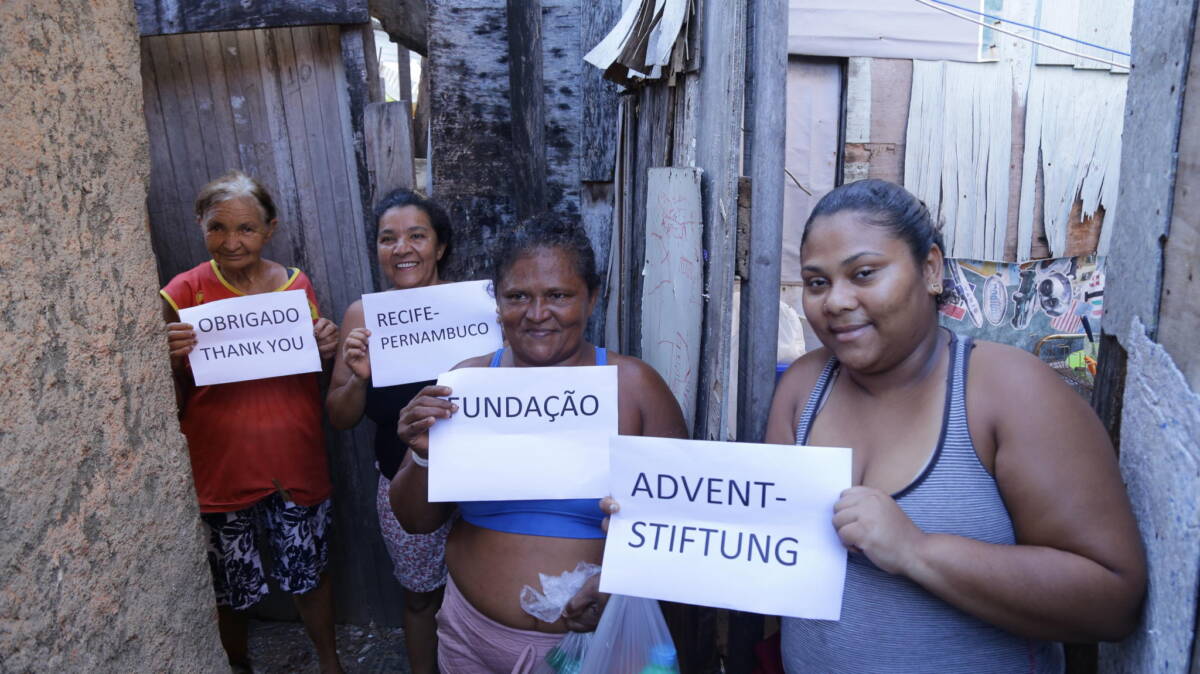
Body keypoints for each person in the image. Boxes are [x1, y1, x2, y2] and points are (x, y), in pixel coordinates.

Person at [763, 179, 1146, 672]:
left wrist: (916, 550)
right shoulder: (803, 387)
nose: (835, 301)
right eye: (817, 283)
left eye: (863, 273)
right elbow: (763, 545)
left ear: (930, 269)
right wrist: (637, 522)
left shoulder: (1009, 392)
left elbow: (1113, 600)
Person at [390, 215, 689, 673]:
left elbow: (686, 525)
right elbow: (415, 521)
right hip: (471, 640)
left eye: (559, 295)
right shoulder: (465, 384)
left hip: (597, 647)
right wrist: (422, 454)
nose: (536, 313)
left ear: (591, 298)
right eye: (518, 296)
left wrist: (614, 581)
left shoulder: (634, 387)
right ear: (497, 300)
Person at [161, 170, 343, 673]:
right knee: (228, 585)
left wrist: (326, 346)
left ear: (269, 229)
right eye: (218, 227)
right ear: (201, 226)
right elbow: (160, 392)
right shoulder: (184, 292)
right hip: (221, 465)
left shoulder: (294, 287)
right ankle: (237, 664)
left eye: (246, 229)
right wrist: (170, 359)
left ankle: (330, 662)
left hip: (292, 461)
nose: (232, 241)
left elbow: (310, 362)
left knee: (308, 572)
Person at [325, 189, 455, 674]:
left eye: (417, 236)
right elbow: (340, 417)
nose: (402, 248)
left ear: (439, 246)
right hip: (403, 483)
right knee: (422, 601)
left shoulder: (475, 310)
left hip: (479, 481)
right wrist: (359, 374)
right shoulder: (364, 317)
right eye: (388, 238)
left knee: (480, 592)